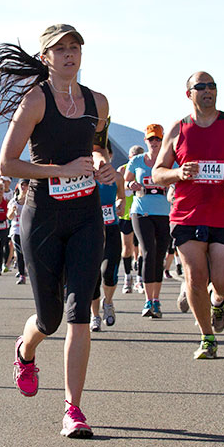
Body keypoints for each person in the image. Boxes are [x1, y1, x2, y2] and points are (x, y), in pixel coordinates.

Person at [0, 23, 113, 438]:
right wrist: (59, 170)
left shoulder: (99, 102)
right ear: (46, 58)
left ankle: (73, 409)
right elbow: (7, 164)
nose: (70, 54)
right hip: (42, 216)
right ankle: (25, 350)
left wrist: (103, 164)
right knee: (50, 317)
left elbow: (98, 147)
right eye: (60, 49)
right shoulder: (35, 101)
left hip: (87, 216)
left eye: (75, 47)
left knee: (79, 315)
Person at [152, 72, 224, 360]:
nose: (207, 91)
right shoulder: (178, 129)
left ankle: (217, 301)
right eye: (200, 87)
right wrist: (178, 173)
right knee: (195, 277)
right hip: (187, 215)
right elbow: (158, 173)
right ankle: (207, 337)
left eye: (212, 86)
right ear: (188, 93)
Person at [124, 124, 173, 318]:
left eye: (158, 139)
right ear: (146, 141)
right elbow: (125, 181)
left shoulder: (169, 161)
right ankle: (147, 300)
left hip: (164, 212)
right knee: (148, 252)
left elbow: (178, 180)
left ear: (162, 141)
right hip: (141, 211)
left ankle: (156, 300)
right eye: (151, 139)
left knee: (159, 255)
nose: (154, 143)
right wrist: (131, 184)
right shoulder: (137, 161)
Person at [91, 141, 125, 330]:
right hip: (91, 230)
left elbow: (121, 197)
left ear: (110, 156)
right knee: (93, 275)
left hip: (112, 228)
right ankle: (94, 315)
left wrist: (120, 204)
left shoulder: (118, 177)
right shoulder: (86, 177)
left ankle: (108, 302)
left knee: (109, 272)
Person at [117, 146, 143, 294]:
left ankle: (139, 279)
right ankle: (128, 277)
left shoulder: (144, 169)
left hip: (140, 213)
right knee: (126, 247)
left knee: (140, 249)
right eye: (132, 157)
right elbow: (117, 191)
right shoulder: (122, 170)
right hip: (126, 214)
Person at [8, 179, 28, 285]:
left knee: (28, 253)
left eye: (26, 185)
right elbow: (9, 217)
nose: (24, 187)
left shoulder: (32, 200)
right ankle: (22, 275)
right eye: (22, 185)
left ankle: (29, 272)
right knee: (19, 252)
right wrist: (12, 210)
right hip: (16, 229)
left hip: (28, 230)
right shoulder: (14, 201)